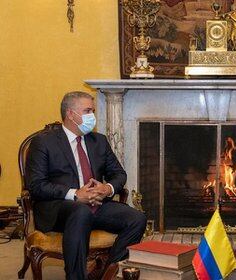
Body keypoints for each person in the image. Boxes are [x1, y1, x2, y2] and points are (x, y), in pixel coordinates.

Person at [25, 91, 147, 280]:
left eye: (93, 111)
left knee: (136, 218)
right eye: (88, 110)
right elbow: (36, 185)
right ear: (70, 114)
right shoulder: (44, 143)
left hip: (96, 205)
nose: (93, 116)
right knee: (79, 211)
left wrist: (107, 189)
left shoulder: (99, 141)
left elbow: (118, 174)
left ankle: (107, 272)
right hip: (58, 209)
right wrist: (75, 194)